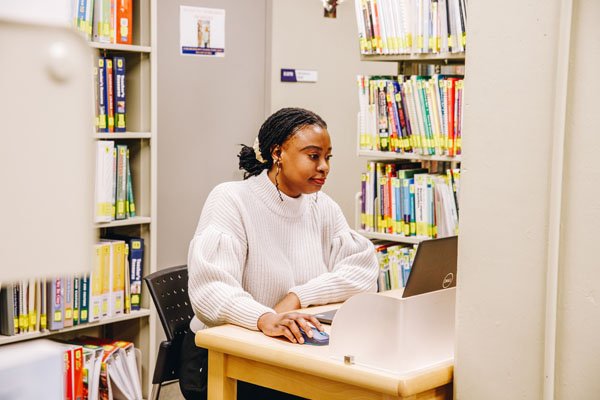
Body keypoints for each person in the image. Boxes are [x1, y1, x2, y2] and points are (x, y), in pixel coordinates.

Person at [180, 107, 379, 399]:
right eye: (313, 156)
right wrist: (265, 317)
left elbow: (363, 273)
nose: (324, 166)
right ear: (278, 154)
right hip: (223, 359)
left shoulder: (321, 206)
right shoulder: (231, 199)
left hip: (291, 350)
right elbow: (211, 291)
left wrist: (299, 296)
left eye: (328, 157)